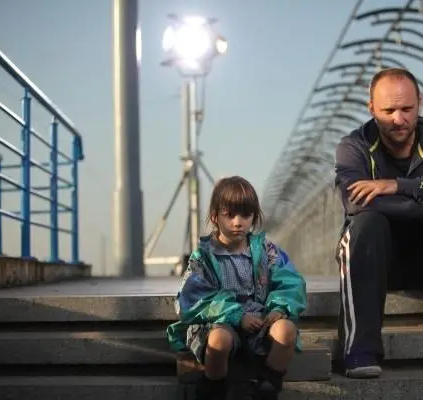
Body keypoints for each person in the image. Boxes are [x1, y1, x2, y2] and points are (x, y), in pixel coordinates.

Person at [166, 176, 307, 400]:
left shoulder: (266, 250)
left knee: (286, 331)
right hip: (218, 322)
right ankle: (214, 386)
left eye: (245, 215)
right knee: (219, 340)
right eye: (230, 215)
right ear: (215, 217)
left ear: (254, 217)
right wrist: (236, 316)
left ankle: (267, 385)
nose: (238, 222)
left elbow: (290, 281)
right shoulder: (204, 257)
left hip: (259, 321)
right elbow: (192, 299)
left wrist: (279, 308)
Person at [334, 67, 423, 379]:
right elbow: (356, 203)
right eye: (388, 111)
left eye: (407, 109)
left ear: (420, 102)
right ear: (371, 108)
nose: (399, 119)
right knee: (366, 224)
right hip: (374, 260)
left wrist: (396, 186)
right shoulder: (354, 147)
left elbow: (376, 198)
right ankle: (359, 350)